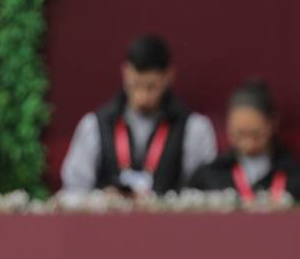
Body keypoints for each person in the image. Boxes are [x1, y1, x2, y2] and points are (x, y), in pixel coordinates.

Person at [59, 33, 216, 197]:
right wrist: (101, 198)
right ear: (125, 73)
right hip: (109, 220)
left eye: (151, 87)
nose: (142, 97)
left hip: (168, 220)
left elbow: (200, 197)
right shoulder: (94, 125)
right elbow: (73, 191)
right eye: (135, 85)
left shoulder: (195, 128)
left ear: (169, 76)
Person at [185, 80, 300, 203]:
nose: (248, 143)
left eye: (256, 135)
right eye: (239, 134)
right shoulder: (210, 175)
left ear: (273, 124)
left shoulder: (293, 176)